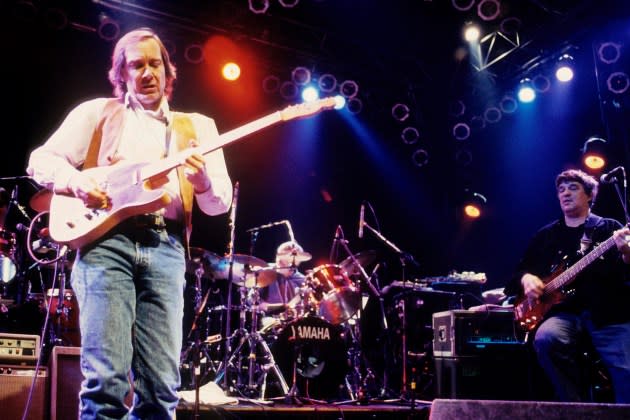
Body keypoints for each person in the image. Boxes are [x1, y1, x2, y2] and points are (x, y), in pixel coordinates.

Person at [26, 28, 232, 418]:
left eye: (155, 63)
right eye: (136, 65)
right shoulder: (95, 112)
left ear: (169, 72)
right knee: (106, 385)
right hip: (106, 245)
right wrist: (76, 180)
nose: (147, 73)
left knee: (160, 390)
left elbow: (218, 204)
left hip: (167, 247)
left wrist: (202, 181)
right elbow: (40, 159)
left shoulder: (198, 127)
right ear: (121, 74)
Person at [505, 169, 630, 403]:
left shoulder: (609, 228)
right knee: (545, 339)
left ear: (590, 195)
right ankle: (577, 409)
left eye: (573, 188)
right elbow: (517, 275)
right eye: (561, 190)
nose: (565, 193)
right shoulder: (546, 236)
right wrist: (527, 279)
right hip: (563, 314)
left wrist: (626, 251)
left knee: (627, 369)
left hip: (608, 313)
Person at [257, 241, 310, 325]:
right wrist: (270, 308)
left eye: (295, 263)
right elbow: (253, 302)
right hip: (271, 323)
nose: (292, 265)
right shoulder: (264, 273)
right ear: (278, 260)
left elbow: (309, 307)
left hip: (297, 324)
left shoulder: (303, 280)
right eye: (286, 261)